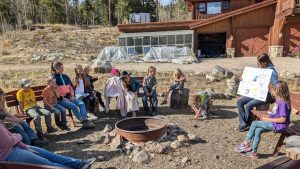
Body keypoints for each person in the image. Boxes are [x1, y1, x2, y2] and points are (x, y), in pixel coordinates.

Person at [234, 81, 291, 158]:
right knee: (258, 130)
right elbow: (276, 113)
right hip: (275, 122)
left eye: (273, 90)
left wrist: (267, 119)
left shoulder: (283, 103)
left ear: (279, 91)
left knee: (254, 123)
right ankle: (254, 152)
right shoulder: (278, 100)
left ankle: (245, 144)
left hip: (279, 125)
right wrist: (269, 116)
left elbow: (283, 119)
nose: (271, 93)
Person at [0, 123, 95, 168]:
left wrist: (24, 145)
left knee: (47, 154)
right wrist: (19, 136)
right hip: (9, 154)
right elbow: (8, 142)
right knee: (47, 164)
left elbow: (9, 136)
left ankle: (78, 164)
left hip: (15, 147)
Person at [237, 53, 279, 132]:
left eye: (258, 63)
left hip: (267, 95)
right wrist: (244, 78)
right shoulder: (263, 69)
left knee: (249, 105)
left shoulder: (271, 72)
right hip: (257, 93)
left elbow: (277, 87)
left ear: (264, 62)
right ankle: (244, 124)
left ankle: (247, 124)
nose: (257, 64)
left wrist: (271, 87)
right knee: (240, 102)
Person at [51, 61, 94, 129]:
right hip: (60, 100)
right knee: (74, 106)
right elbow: (54, 91)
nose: (63, 69)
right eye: (61, 68)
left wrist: (72, 96)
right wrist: (63, 98)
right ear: (56, 69)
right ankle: (82, 121)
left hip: (70, 97)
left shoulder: (65, 76)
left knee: (81, 103)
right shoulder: (53, 78)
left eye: (63, 67)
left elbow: (71, 87)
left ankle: (85, 119)